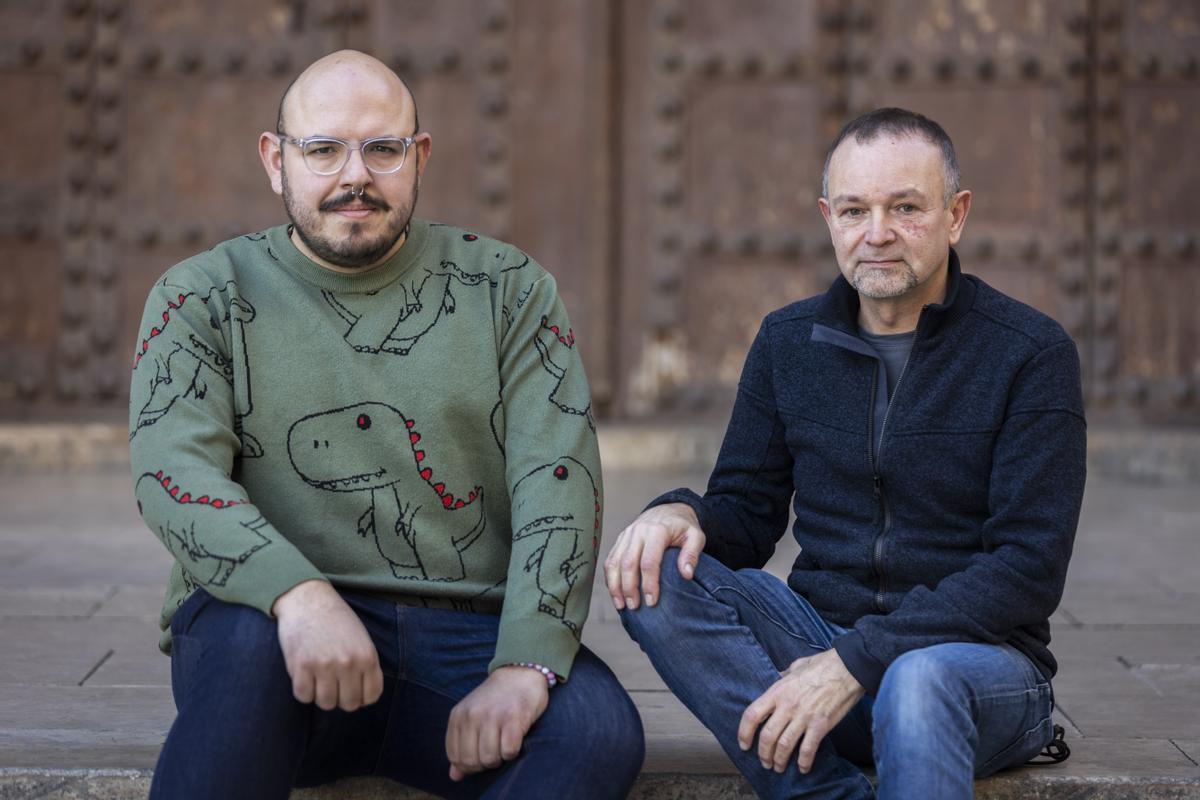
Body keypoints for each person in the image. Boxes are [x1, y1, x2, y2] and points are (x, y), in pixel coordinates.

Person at [129, 49, 642, 800]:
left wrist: (523, 663)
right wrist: (298, 597)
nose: (354, 175)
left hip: (465, 634)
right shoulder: (202, 294)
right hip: (279, 641)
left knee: (597, 732)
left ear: (419, 156)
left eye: (382, 148)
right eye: (323, 148)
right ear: (276, 161)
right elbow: (171, 470)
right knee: (246, 652)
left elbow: (556, 477)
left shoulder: (508, 288)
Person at [607, 107, 1085, 799]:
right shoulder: (786, 341)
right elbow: (746, 516)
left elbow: (1027, 569)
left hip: (978, 670)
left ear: (956, 215)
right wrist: (680, 515)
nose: (878, 234)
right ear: (829, 217)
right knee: (654, 576)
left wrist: (860, 660)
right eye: (856, 210)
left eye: (906, 208)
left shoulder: (1030, 353)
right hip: (818, 654)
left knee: (919, 679)